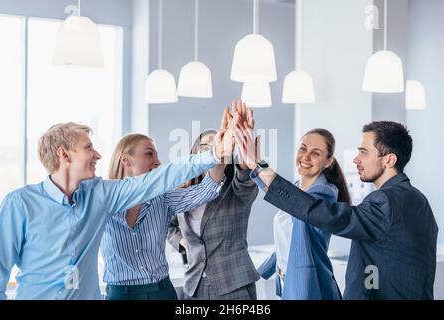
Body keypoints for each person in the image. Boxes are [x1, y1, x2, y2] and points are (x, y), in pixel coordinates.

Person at [0, 120, 231, 300]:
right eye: (88, 147)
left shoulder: (100, 195)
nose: (97, 154)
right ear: (64, 154)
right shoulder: (20, 204)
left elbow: (159, 179)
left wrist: (213, 155)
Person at [235, 120, 438, 299]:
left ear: (389, 160)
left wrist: (260, 166)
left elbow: (323, 213)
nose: (356, 159)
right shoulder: (419, 200)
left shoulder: (383, 201)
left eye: (364, 152)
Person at [100, 131, 227, 300]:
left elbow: (205, 191)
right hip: (120, 294)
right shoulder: (101, 200)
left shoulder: (163, 197)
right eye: (149, 154)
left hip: (161, 292)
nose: (158, 162)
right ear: (125, 160)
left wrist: (222, 154)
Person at [167, 101, 260, 300]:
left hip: (233, 286)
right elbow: (169, 223)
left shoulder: (235, 189)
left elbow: (246, 182)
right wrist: (182, 242)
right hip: (195, 285)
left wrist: (244, 144)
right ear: (194, 152)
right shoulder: (183, 191)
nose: (212, 151)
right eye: (205, 147)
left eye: (217, 145)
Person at [257, 129, 350, 300]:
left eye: (316, 153)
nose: (306, 157)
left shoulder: (324, 193)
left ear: (328, 161)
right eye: (303, 149)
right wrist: (259, 274)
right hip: (290, 285)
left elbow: (291, 198)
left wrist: (257, 163)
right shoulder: (297, 187)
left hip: (310, 289)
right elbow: (287, 243)